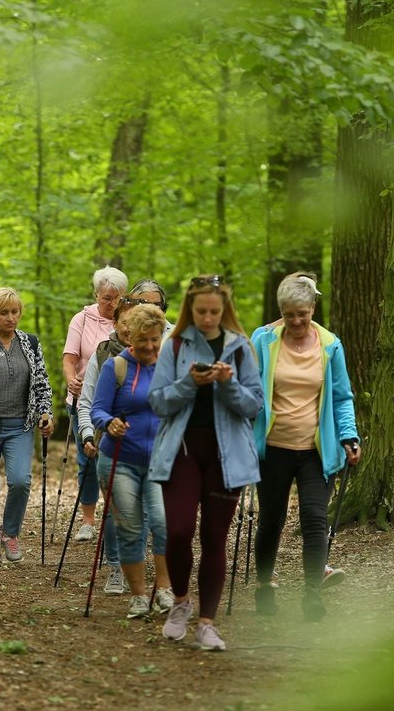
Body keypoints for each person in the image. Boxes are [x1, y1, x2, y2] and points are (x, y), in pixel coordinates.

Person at [149, 274, 263, 651]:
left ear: (225, 309)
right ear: (190, 309)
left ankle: (207, 624)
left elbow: (254, 405)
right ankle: (180, 603)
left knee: (215, 538)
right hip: (181, 451)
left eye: (215, 311)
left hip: (226, 455)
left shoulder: (241, 347)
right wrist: (191, 384)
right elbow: (159, 401)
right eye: (202, 311)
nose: (209, 318)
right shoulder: (175, 344)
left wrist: (227, 383)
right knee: (179, 531)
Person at [250, 272, 361, 621]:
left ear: (313, 307)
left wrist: (349, 435)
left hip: (317, 449)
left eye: (303, 312)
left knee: (315, 518)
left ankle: (312, 592)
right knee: (271, 520)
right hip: (273, 448)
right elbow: (249, 389)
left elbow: (342, 398)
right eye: (289, 314)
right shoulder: (264, 341)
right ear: (280, 312)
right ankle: (265, 585)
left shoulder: (331, 345)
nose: (296, 320)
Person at [76, 278, 169, 594]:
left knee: (158, 519)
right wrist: (93, 430)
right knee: (124, 519)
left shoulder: (168, 355)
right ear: (117, 323)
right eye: (126, 322)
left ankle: (159, 582)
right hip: (118, 453)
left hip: (157, 455)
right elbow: (90, 404)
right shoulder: (109, 359)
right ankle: (122, 572)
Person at [92, 304, 173, 619]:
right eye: (144, 341)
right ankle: (139, 596)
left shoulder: (169, 366)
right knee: (130, 528)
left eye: (155, 339)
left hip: (160, 461)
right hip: (120, 460)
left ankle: (164, 589)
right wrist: (109, 423)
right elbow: (97, 410)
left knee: (164, 522)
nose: (150, 346)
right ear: (131, 338)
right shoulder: (116, 367)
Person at [0, 288, 54, 565]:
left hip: (21, 425)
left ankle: (10, 534)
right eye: (4, 312)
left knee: (19, 481)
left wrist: (46, 412)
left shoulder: (30, 342)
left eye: (15, 312)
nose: (10, 318)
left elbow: (41, 381)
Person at [62, 266, 128, 542]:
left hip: (120, 402)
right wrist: (70, 380)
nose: (112, 304)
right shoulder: (82, 319)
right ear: (97, 295)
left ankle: (113, 517)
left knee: (115, 461)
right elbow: (70, 356)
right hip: (84, 401)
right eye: (106, 298)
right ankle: (88, 520)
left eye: (117, 298)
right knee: (87, 459)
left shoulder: (129, 322)